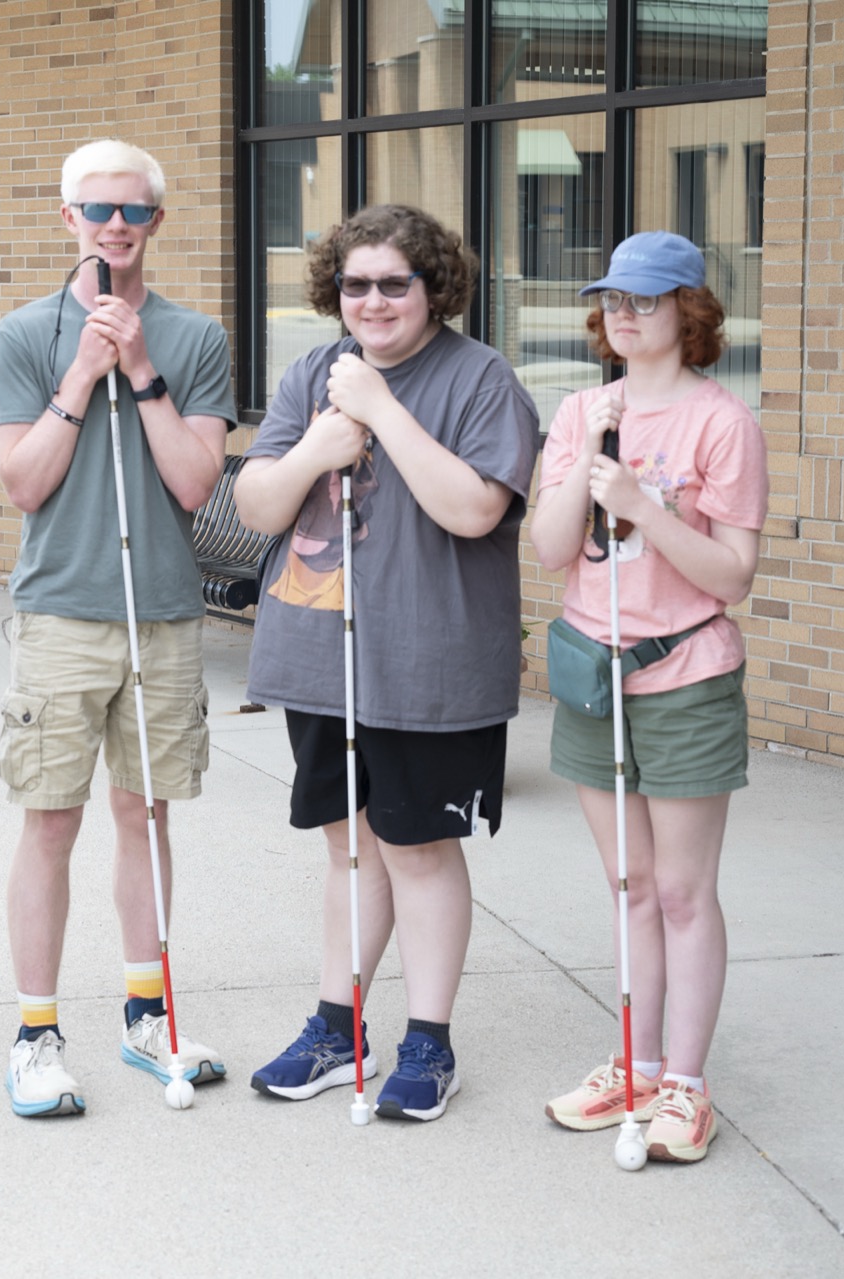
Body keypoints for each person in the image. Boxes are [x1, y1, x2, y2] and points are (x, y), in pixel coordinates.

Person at [235, 204, 540, 1123]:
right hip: (323, 655)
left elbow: (475, 508)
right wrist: (319, 447)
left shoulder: (481, 379)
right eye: (354, 283)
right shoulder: (308, 375)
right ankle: (338, 1026)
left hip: (428, 660)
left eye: (393, 283)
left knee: (417, 846)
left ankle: (428, 1042)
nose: (371, 301)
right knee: (349, 846)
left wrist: (376, 409)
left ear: (433, 288)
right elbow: (255, 503)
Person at [0, 139, 237, 1116]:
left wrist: (138, 364)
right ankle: (36, 1032)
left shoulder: (195, 336)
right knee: (50, 818)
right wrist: (82, 373)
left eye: (132, 211)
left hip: (161, 613)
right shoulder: (25, 333)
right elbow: (22, 483)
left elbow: (195, 481)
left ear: (157, 223)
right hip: (61, 608)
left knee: (147, 812)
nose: (114, 227)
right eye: (96, 211)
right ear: (68, 220)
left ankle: (147, 1012)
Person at [529, 231, 768, 1163]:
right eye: (613, 303)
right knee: (627, 882)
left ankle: (686, 1085)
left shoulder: (722, 422)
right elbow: (552, 549)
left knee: (679, 888)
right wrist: (586, 452)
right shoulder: (583, 408)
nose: (624, 317)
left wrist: (641, 503)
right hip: (597, 670)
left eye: (645, 301)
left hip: (686, 674)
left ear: (690, 311)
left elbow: (733, 574)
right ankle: (633, 1062)